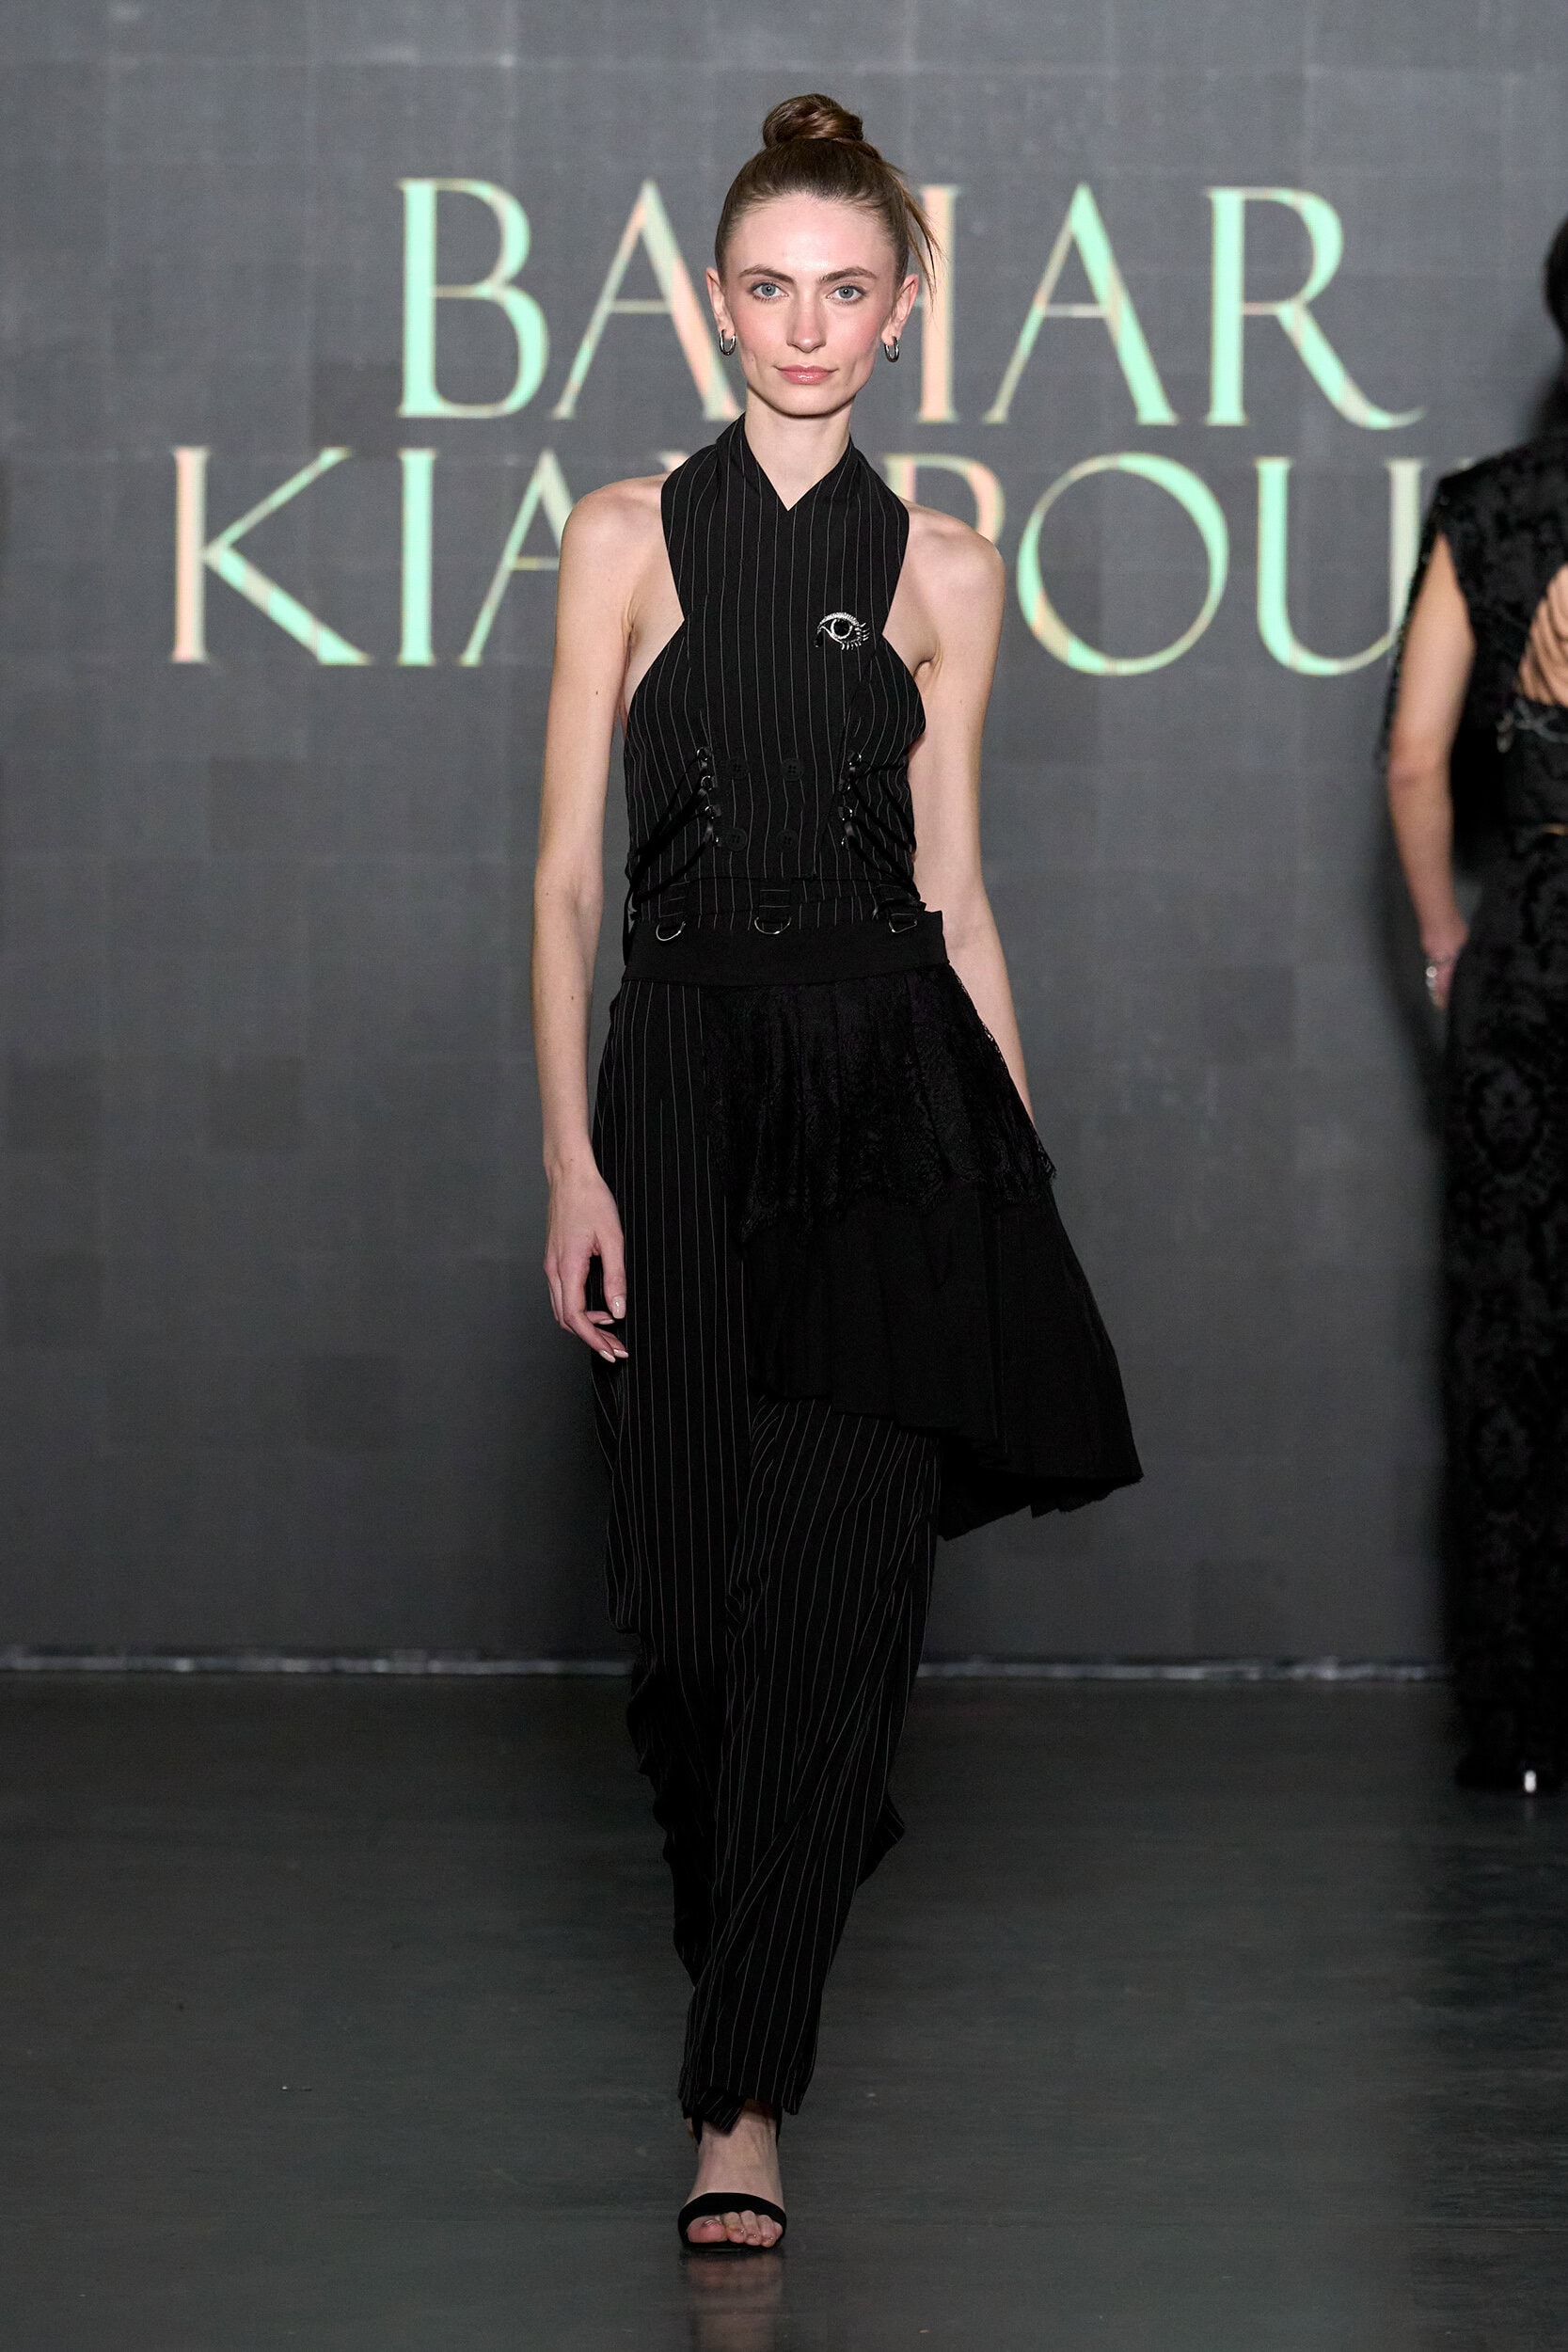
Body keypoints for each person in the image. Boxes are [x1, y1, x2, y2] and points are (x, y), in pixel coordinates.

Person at [531, 93, 1140, 2252]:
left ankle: (740, 2097)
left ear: (901, 313)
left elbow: (956, 894)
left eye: (846, 289)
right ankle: (794, 1865)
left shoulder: (948, 571)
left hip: (893, 1114)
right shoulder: (625, 536)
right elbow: (565, 878)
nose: (807, 325)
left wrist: (1011, 1177)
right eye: (771, 287)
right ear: (717, 302)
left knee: (849, 1605)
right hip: (680, 1098)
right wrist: (570, 1160)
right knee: (695, 1633)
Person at [1385, 215, 1568, 1798]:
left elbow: (1410, 763)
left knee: (1515, 1340)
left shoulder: (1491, 507)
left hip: (1532, 957)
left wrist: (1450, 939)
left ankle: (1517, 1725)